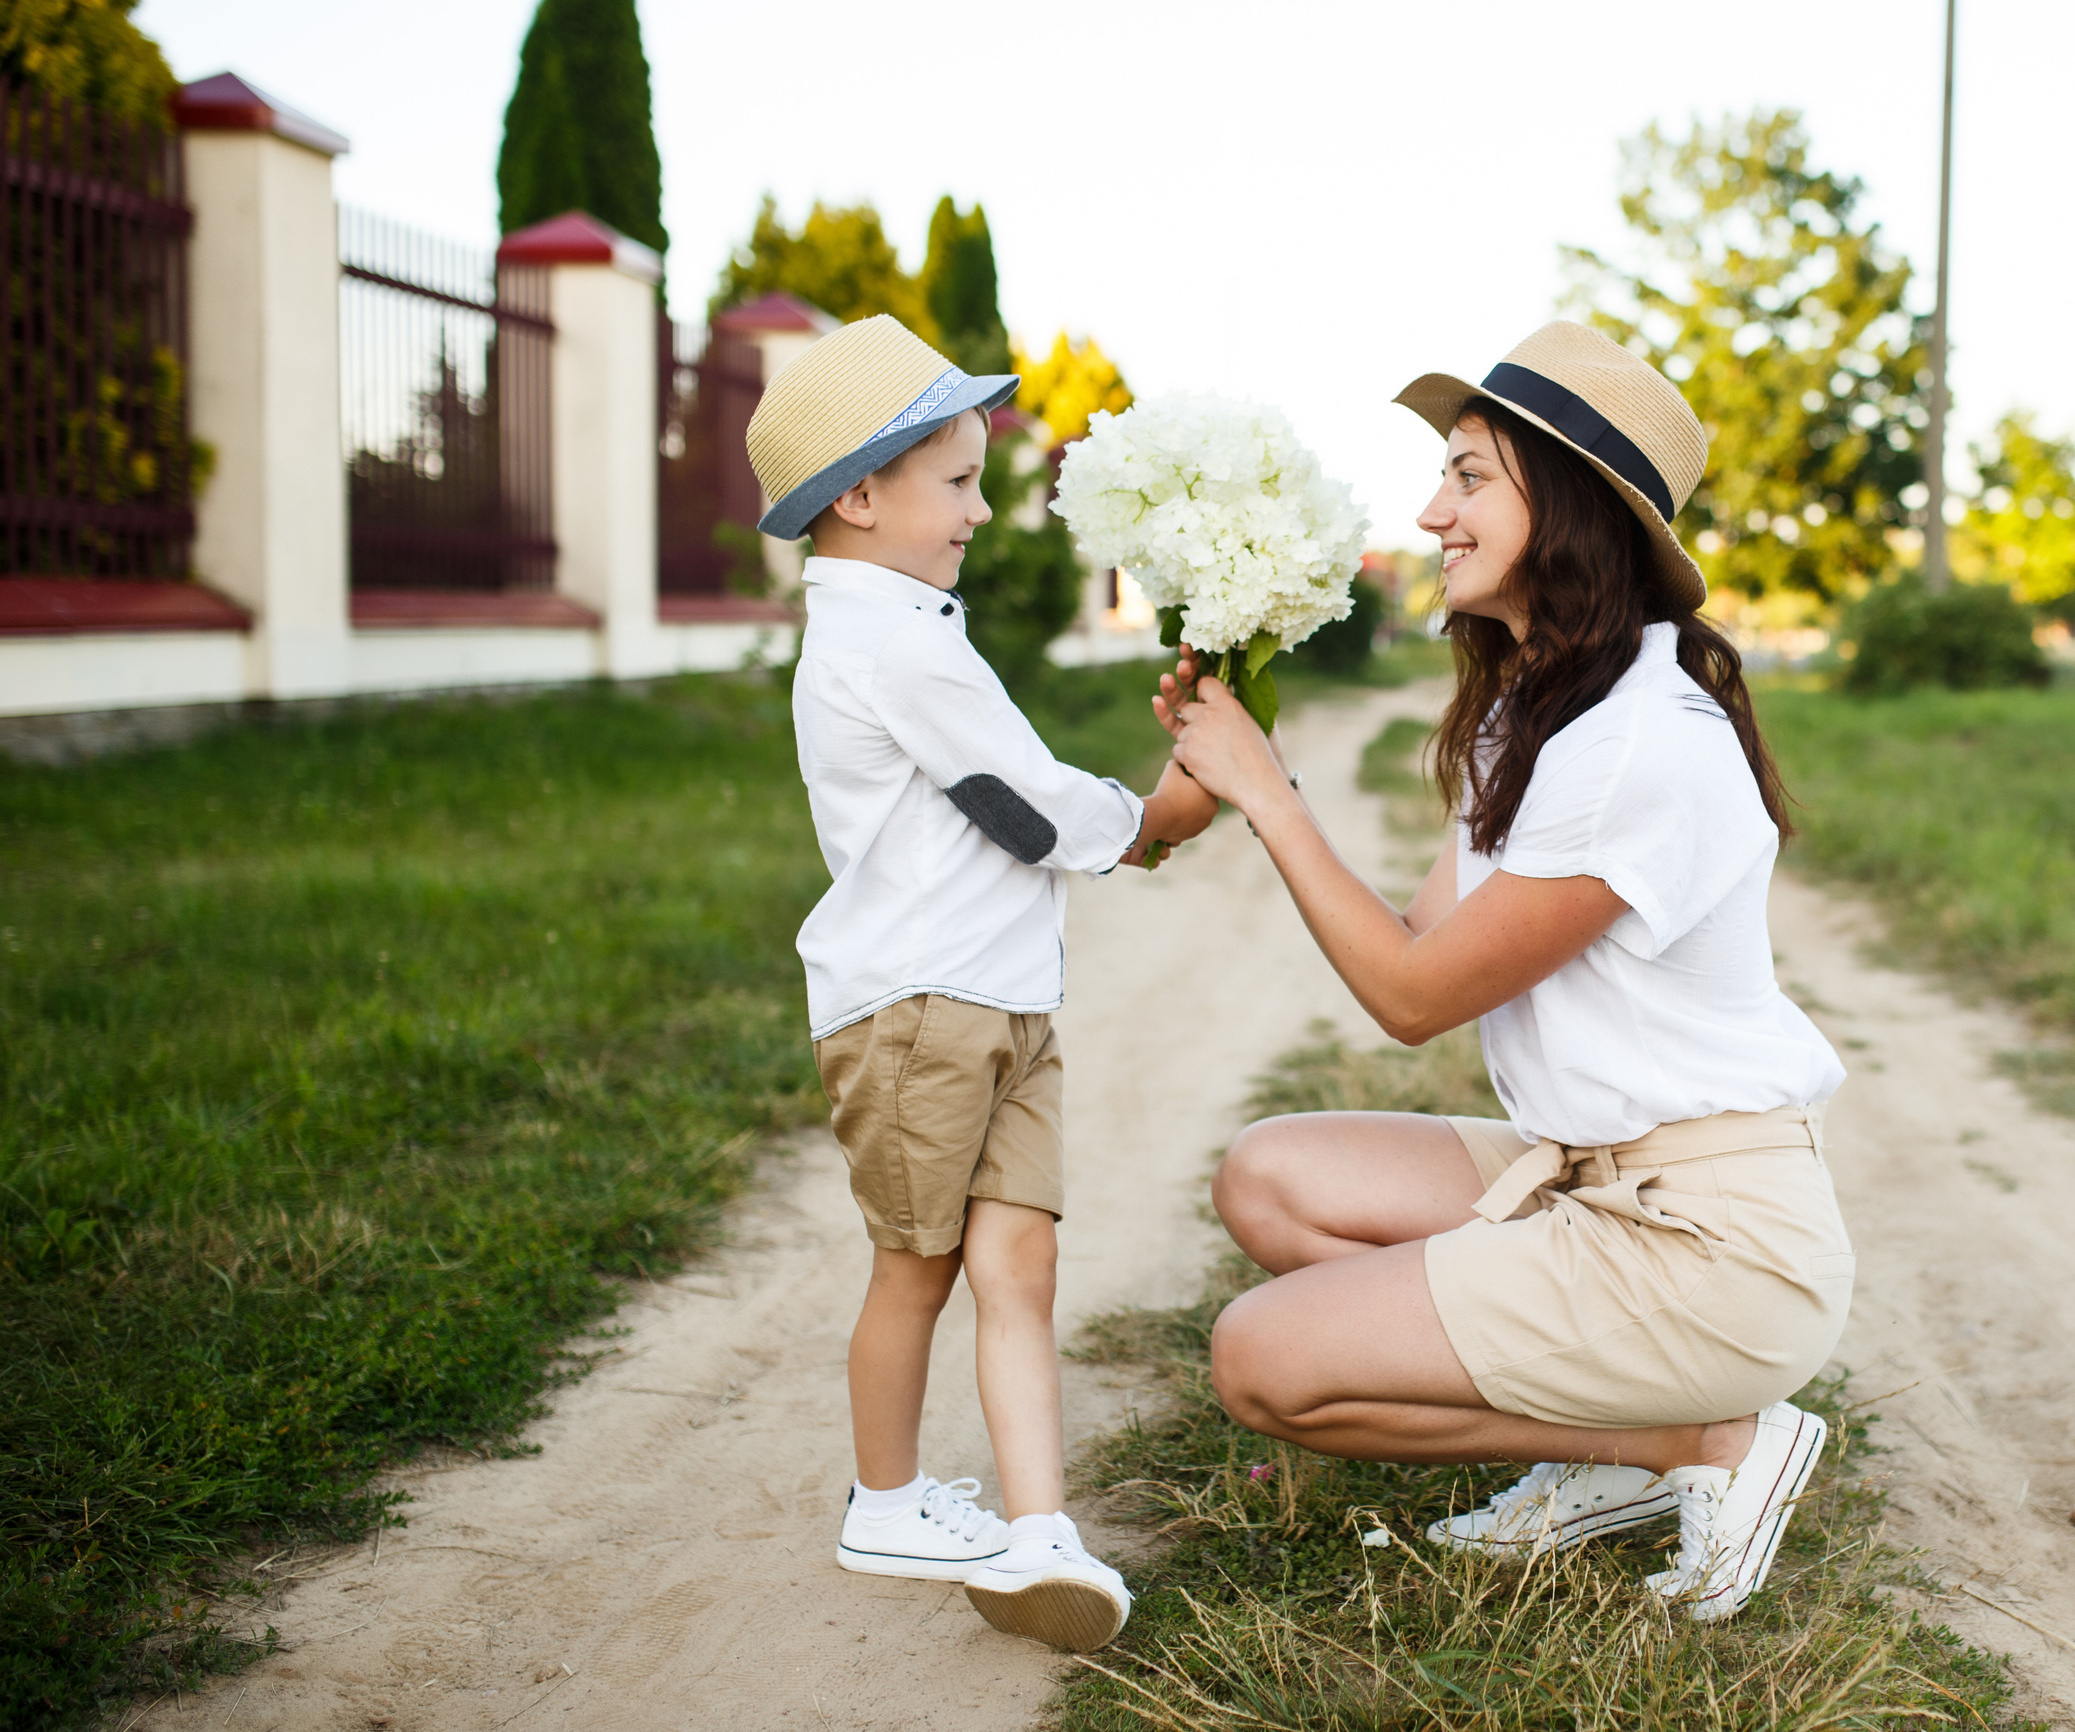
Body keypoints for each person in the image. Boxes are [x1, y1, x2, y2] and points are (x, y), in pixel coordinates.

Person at [1157, 322, 1854, 1625]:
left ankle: (1704, 1440)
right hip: (1590, 1174)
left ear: (1572, 508)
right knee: (1268, 1178)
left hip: (1712, 1242)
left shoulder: (1641, 742)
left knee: (1261, 1361)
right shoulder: (1538, 711)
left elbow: (1414, 1003)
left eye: (1470, 477)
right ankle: (1623, 1437)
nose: (1432, 513)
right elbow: (1417, 947)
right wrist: (1261, 781)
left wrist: (1268, 795)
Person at [746, 315, 1216, 1654]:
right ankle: (886, 1503)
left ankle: (1039, 1531)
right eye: (957, 480)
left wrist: (1156, 805)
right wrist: (1156, 820)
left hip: (998, 1001)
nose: (981, 506)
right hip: (917, 1010)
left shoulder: (910, 626)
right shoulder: (886, 643)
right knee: (921, 1266)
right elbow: (1017, 803)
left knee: (1022, 1259)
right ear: (860, 495)